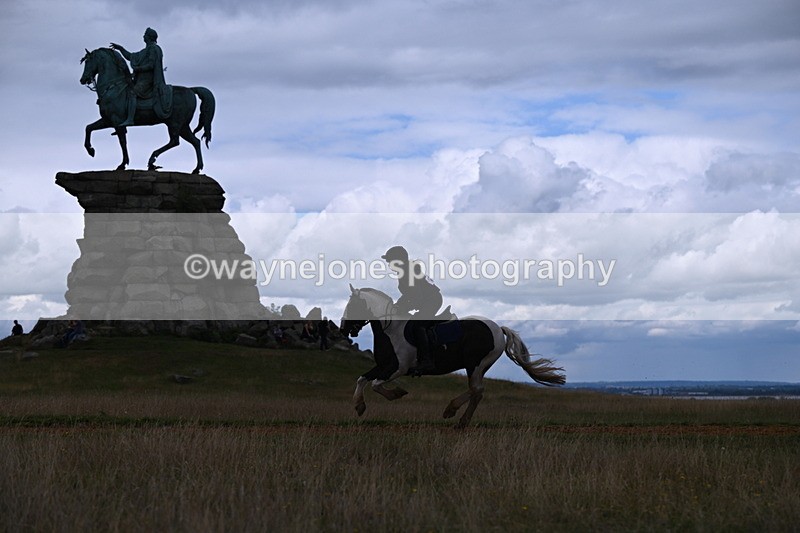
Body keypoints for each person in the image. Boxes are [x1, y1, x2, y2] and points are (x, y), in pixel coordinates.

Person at [382, 245, 442, 374]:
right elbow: (409, 295)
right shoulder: (404, 271)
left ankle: (426, 361)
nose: (389, 265)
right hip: (424, 300)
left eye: (390, 261)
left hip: (432, 301)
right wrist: (398, 305)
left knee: (418, 326)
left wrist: (403, 306)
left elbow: (416, 295)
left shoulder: (409, 271)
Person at [110, 27, 173, 125]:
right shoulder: (145, 50)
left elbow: (151, 65)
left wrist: (139, 69)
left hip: (148, 80)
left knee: (132, 93)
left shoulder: (154, 49)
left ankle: (130, 119)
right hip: (141, 79)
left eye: (145, 34)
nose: (143, 36)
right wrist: (121, 48)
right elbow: (130, 56)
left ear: (149, 37)